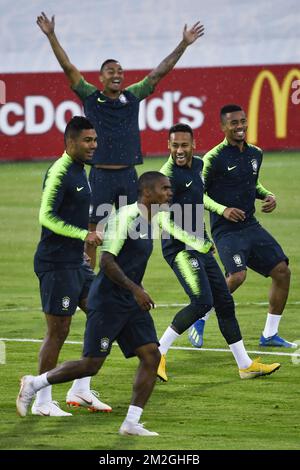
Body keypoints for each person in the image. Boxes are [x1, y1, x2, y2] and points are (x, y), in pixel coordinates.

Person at [36, 12, 204, 269]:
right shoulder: (91, 97)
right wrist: (51, 35)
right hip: (100, 177)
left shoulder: (132, 96)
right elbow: (68, 68)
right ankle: (87, 282)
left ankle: (128, 282)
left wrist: (183, 44)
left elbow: (158, 74)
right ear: (101, 77)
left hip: (128, 176)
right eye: (110, 71)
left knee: (135, 230)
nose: (117, 74)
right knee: (93, 230)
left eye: (120, 71)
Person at [17, 171, 174, 436]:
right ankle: (35, 383)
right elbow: (107, 261)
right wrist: (136, 289)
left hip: (130, 301)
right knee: (91, 364)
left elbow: (131, 262)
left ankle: (131, 423)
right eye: (165, 188)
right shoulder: (126, 217)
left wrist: (138, 288)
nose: (169, 193)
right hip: (108, 301)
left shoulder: (151, 220)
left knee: (151, 356)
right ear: (147, 193)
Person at [156, 123, 281, 382]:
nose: (180, 150)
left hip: (200, 244)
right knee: (202, 301)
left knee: (223, 301)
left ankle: (245, 365)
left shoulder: (200, 166)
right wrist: (196, 241)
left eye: (184, 145)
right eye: (175, 145)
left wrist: (221, 209)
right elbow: (164, 222)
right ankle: (157, 354)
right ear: (168, 146)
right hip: (179, 248)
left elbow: (202, 197)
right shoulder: (166, 176)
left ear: (193, 144)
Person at [188, 104, 296, 349]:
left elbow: (251, 184)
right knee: (237, 276)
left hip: (251, 225)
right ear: (223, 127)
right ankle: (201, 315)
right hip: (225, 230)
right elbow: (198, 194)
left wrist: (268, 195)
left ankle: (269, 334)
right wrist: (222, 209)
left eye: (242, 121)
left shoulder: (255, 153)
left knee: (282, 272)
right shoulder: (213, 158)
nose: (240, 127)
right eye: (234, 123)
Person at [32, 116, 111, 416]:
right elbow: (46, 216)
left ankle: (80, 389)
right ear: (70, 142)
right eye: (87, 141)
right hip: (55, 264)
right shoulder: (60, 171)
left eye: (94, 140)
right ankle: (41, 400)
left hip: (75, 263)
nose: (94, 145)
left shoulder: (81, 171)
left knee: (103, 315)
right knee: (58, 331)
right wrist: (84, 235)